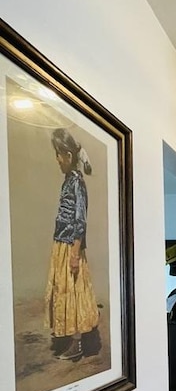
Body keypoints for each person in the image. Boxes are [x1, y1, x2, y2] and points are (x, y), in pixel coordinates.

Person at [44, 128, 100, 361]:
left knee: (74, 293)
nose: (57, 159)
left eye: (58, 154)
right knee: (63, 290)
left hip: (70, 245)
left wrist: (75, 253)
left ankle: (77, 344)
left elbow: (80, 219)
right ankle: (70, 338)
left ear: (67, 154)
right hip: (62, 243)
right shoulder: (69, 180)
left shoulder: (76, 182)